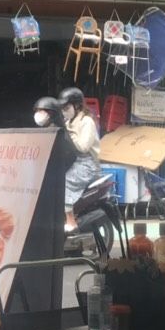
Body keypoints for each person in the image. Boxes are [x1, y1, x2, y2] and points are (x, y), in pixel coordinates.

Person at [59, 86, 100, 230]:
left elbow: (83, 147)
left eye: (67, 108)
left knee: (63, 182)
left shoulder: (87, 121)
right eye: (62, 108)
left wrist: (69, 134)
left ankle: (71, 221)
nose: (64, 111)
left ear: (76, 105)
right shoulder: (68, 122)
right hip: (72, 160)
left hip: (87, 163)